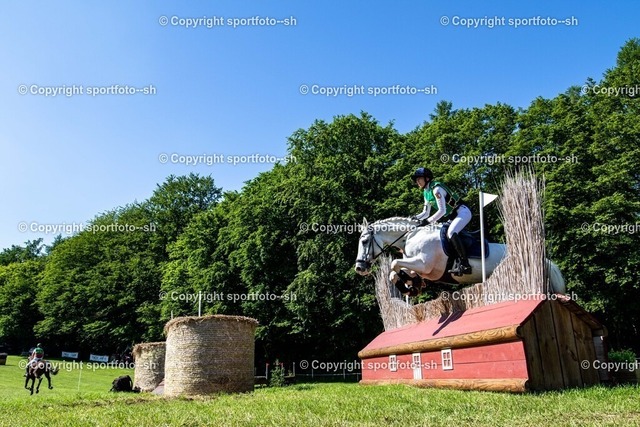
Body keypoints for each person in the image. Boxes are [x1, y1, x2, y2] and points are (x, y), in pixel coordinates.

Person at [410, 167, 473, 276]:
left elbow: (442, 211)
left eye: (419, 179)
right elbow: (425, 212)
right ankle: (454, 261)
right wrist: (415, 218)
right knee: (442, 233)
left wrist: (428, 221)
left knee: (451, 232)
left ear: (427, 178)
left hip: (462, 211)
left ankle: (465, 264)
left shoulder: (436, 189)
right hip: (452, 216)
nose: (417, 182)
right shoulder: (426, 192)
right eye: (416, 179)